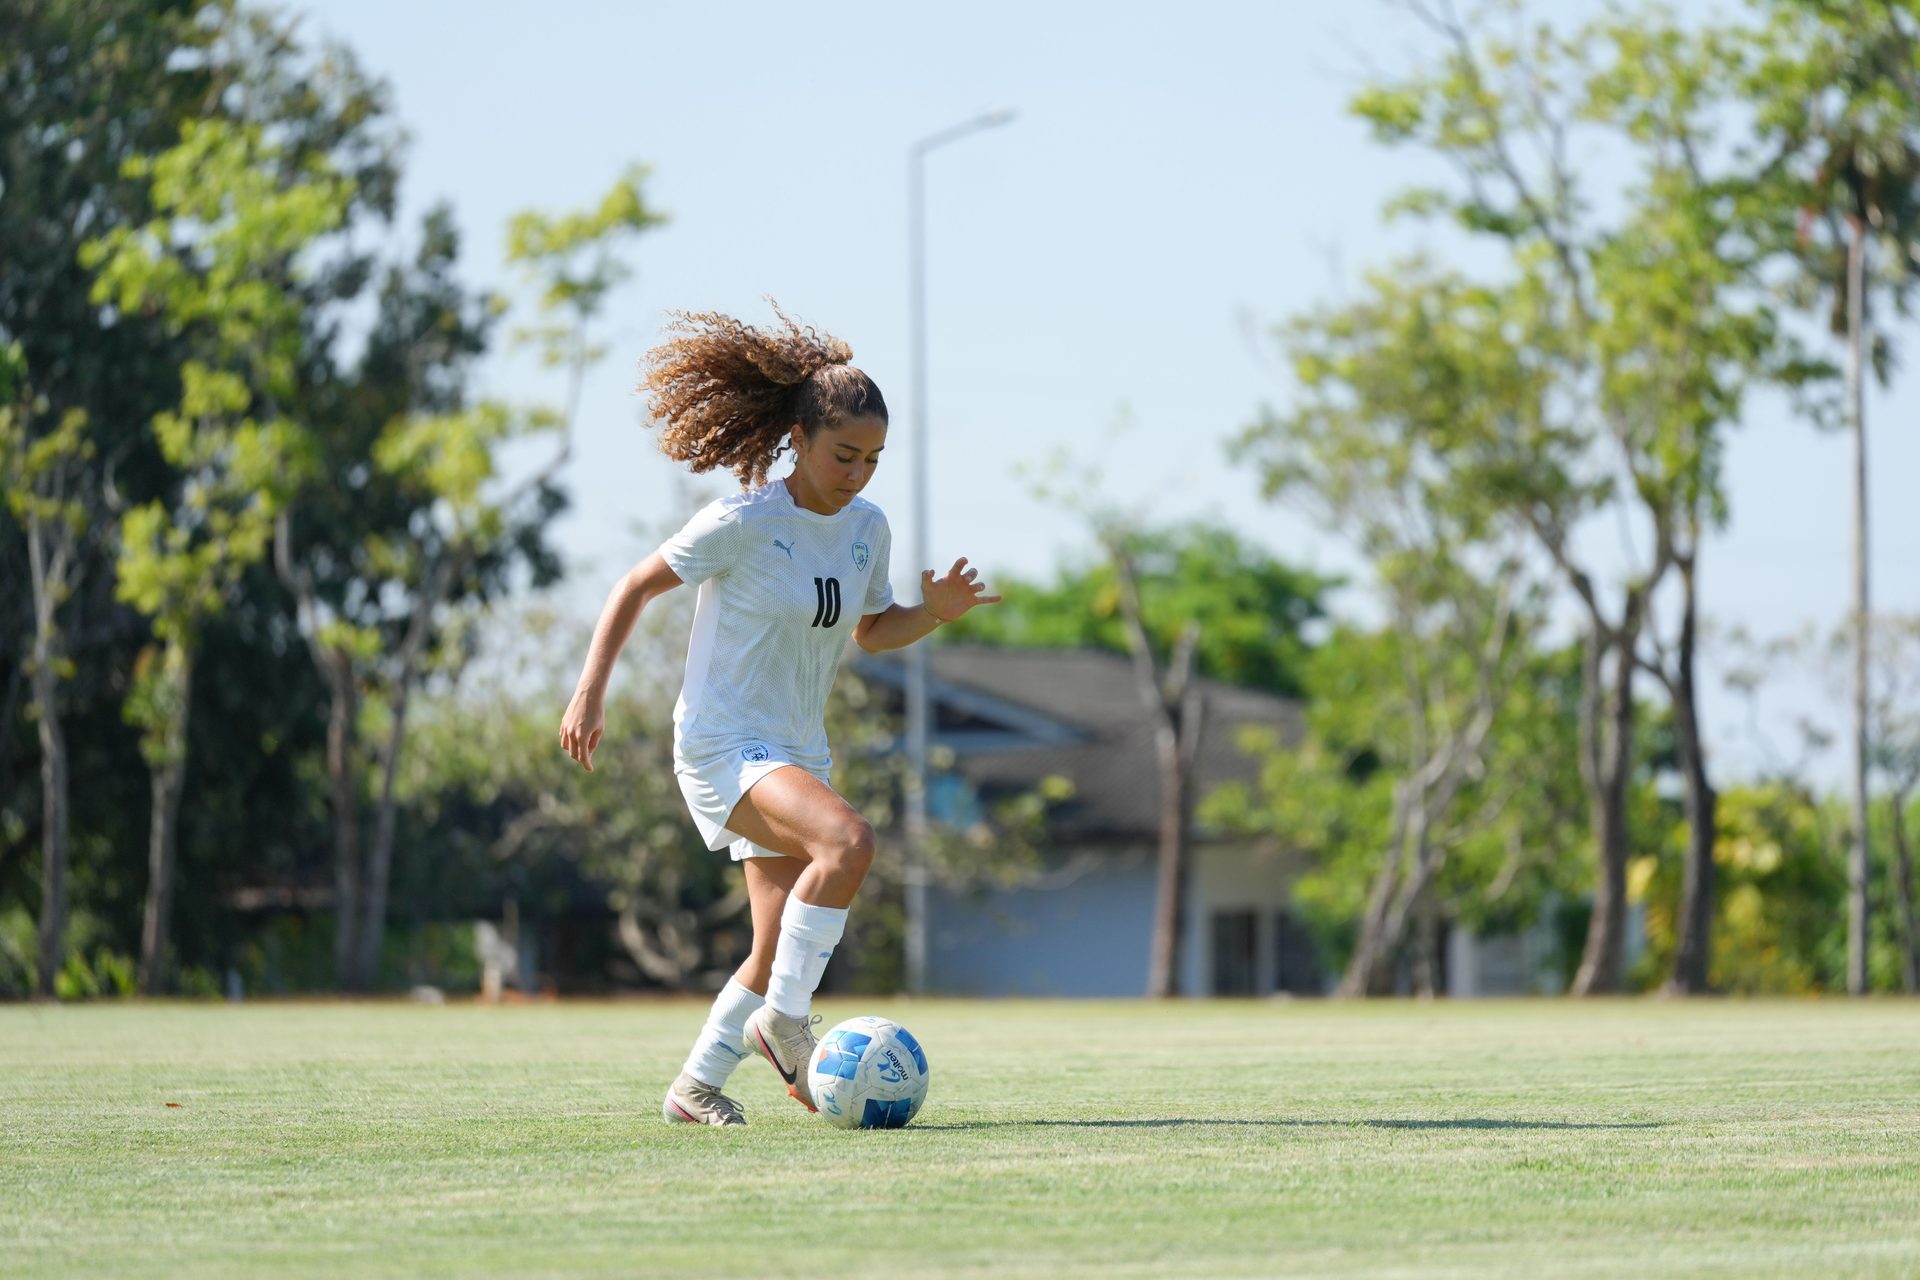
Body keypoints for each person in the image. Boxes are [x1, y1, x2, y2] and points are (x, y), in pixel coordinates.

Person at [558, 306, 1000, 1126]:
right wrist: (590, 692)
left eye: (872, 458)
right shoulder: (744, 521)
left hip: (795, 750)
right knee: (850, 842)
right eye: (843, 455)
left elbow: (872, 633)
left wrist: (932, 610)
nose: (858, 473)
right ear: (799, 439)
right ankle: (787, 1027)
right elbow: (632, 587)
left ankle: (694, 1088)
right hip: (725, 745)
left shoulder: (867, 528)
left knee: (771, 952)